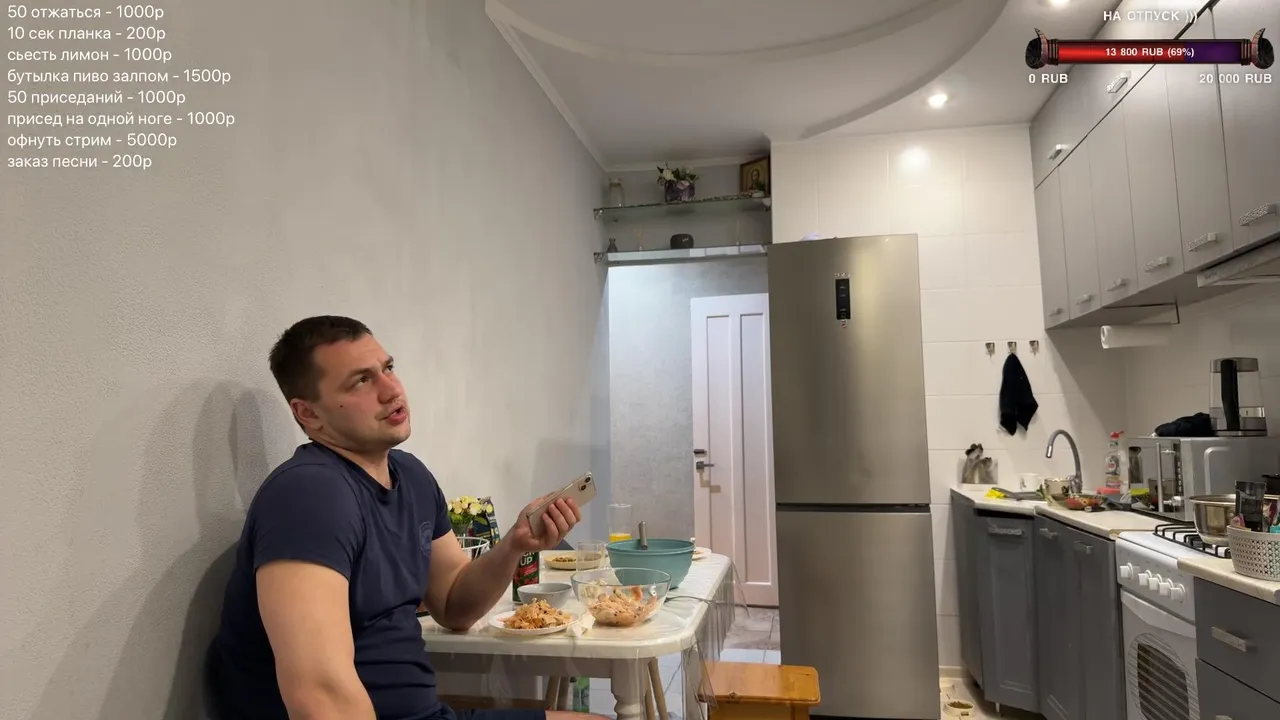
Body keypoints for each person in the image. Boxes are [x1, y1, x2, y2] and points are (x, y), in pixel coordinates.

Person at [210, 315, 602, 720]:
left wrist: (514, 545)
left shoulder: (410, 476)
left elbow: (454, 605)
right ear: (309, 414)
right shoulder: (308, 496)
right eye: (361, 381)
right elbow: (320, 695)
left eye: (388, 369)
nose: (392, 390)